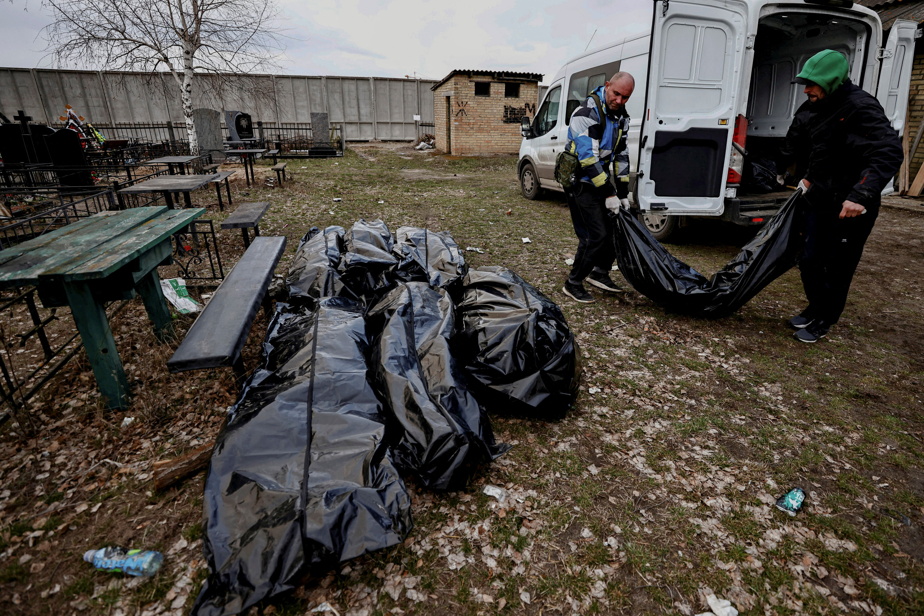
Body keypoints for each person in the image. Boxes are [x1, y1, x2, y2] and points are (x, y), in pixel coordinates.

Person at [778, 49, 902, 343]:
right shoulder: (817, 106)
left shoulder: (861, 107)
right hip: (821, 195)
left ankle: (825, 319)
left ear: (831, 81)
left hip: (851, 204)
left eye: (812, 83)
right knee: (808, 259)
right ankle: (814, 307)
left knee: (837, 265)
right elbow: (820, 148)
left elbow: (888, 151)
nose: (806, 89)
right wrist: (806, 177)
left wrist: (861, 195)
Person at [561, 72, 634, 303]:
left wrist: (623, 193)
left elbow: (621, 155)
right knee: (595, 235)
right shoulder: (586, 113)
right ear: (607, 86)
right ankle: (573, 283)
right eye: (616, 94)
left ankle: (600, 273)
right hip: (580, 180)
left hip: (598, 179)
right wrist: (609, 193)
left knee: (617, 226)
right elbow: (588, 159)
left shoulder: (621, 117)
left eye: (626, 97)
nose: (619, 101)